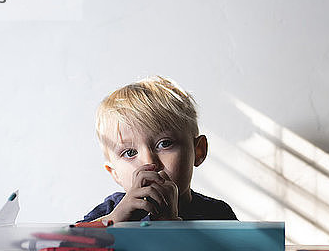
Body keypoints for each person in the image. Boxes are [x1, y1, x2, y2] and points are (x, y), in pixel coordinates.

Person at [81, 75, 237, 223]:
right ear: (115, 174)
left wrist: (167, 225)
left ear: (198, 151)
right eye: (130, 153)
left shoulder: (216, 214)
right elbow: (66, 245)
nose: (149, 162)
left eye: (164, 144)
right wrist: (114, 220)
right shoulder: (112, 210)